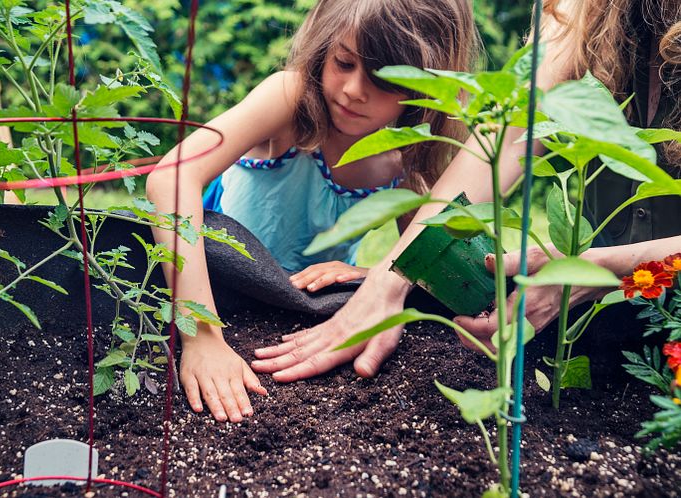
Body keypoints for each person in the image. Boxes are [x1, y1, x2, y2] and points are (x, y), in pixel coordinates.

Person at [251, 0, 681, 380]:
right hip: (611, 330)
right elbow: (514, 128)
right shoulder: (589, 9)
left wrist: (597, 269)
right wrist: (386, 283)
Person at [146, 0, 477, 422]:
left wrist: (373, 275)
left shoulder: (406, 151)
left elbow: (427, 257)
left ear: (428, 87)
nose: (355, 90)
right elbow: (171, 179)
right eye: (344, 62)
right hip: (220, 282)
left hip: (307, 309)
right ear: (326, 46)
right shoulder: (291, 99)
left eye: (385, 79)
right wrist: (202, 337)